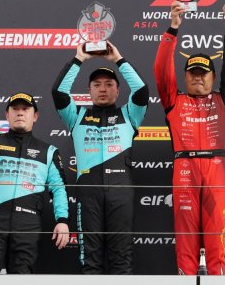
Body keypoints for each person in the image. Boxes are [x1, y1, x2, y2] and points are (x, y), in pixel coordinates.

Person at [153, 0, 225, 275]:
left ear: (213, 77)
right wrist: (173, 28)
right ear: (185, 76)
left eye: (204, 73)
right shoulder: (173, 100)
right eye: (192, 72)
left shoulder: (224, 98)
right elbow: (161, 69)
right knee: (186, 241)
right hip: (185, 170)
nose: (198, 77)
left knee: (217, 241)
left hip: (216, 170)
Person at [52, 41, 148, 274]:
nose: (103, 89)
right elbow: (59, 92)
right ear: (89, 90)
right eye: (97, 85)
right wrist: (79, 59)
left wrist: (118, 60)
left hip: (121, 191)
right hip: (88, 192)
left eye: (109, 84)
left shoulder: (129, 114)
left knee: (122, 259)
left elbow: (142, 91)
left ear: (118, 90)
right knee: (90, 259)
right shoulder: (76, 115)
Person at [0, 92, 70, 274]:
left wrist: (62, 220)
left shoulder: (49, 151)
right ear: (7, 115)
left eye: (25, 109)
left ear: (35, 116)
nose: (20, 113)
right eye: (15, 109)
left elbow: (59, 189)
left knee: (21, 277)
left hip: (28, 223)